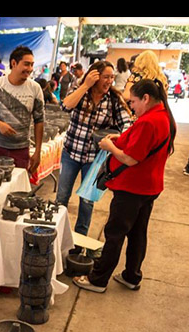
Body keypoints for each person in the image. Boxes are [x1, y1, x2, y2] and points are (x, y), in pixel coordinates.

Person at [72, 79, 176, 293]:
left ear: (146, 98)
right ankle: (131, 276)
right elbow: (143, 143)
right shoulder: (162, 115)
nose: (132, 107)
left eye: (134, 102)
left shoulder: (149, 121)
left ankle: (98, 280)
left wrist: (110, 146)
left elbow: (131, 159)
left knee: (115, 233)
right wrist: (123, 137)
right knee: (137, 232)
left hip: (132, 187)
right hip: (149, 186)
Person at [56, 60, 133, 238]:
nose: (109, 81)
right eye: (106, 77)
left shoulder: (114, 98)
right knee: (61, 198)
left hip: (95, 159)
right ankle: (56, 234)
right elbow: (65, 106)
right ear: (95, 76)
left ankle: (79, 241)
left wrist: (116, 139)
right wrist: (85, 85)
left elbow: (126, 125)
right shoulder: (79, 90)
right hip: (71, 153)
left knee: (87, 202)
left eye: (112, 77)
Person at [0, 45, 45, 173]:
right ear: (14, 63)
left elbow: (39, 120)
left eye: (31, 65)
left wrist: (38, 151)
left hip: (21, 150)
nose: (30, 69)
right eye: (26, 64)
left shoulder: (35, 88)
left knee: (17, 191)